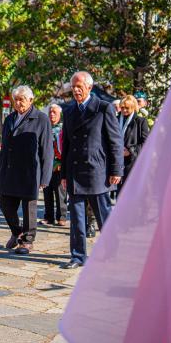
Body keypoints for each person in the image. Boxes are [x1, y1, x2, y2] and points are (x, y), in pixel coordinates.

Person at [60, 71, 124, 269]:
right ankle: (78, 256)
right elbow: (67, 145)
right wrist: (63, 174)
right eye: (73, 87)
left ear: (89, 87)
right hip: (75, 171)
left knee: (103, 216)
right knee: (77, 218)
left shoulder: (103, 108)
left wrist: (116, 170)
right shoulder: (69, 111)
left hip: (96, 170)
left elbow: (115, 141)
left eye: (79, 86)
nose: (76, 90)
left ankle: (111, 254)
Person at [0, 85, 53, 255]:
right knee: (5, 204)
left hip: (30, 171)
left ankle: (27, 241)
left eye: (22, 99)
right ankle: (17, 232)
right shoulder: (10, 119)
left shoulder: (41, 119)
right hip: (9, 171)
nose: (18, 102)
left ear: (31, 100)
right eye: (16, 99)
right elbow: (5, 146)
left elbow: (47, 150)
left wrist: (45, 178)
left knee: (29, 208)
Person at [41, 104, 67, 226]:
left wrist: (63, 163)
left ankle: (61, 217)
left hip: (59, 165)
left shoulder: (63, 128)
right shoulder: (45, 127)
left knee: (60, 193)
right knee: (47, 192)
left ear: (59, 115)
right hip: (46, 165)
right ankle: (48, 217)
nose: (52, 114)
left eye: (54, 112)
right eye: (50, 112)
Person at [118, 95, 150, 191]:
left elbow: (146, 143)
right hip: (115, 161)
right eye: (122, 107)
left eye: (127, 108)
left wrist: (130, 151)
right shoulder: (115, 119)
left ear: (133, 107)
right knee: (118, 193)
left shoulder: (140, 121)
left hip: (131, 162)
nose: (124, 110)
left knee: (129, 192)